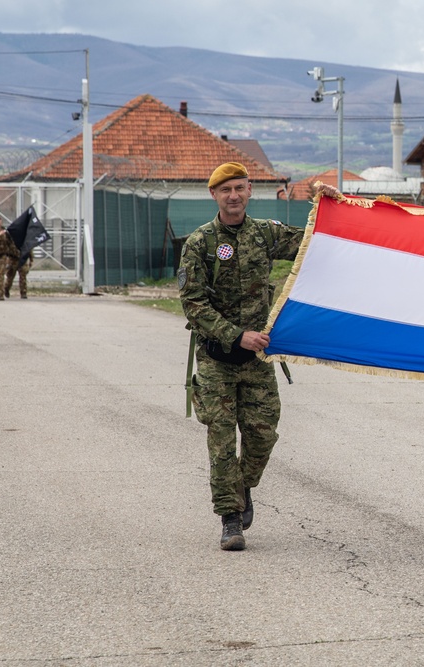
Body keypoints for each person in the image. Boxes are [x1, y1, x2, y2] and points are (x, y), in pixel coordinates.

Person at [178, 162, 304, 551]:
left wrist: (327, 204)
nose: (233, 196)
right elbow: (193, 303)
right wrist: (236, 336)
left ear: (250, 190)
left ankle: (243, 486)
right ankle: (230, 519)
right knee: (221, 439)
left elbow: (314, 243)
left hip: (258, 359)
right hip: (217, 358)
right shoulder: (199, 243)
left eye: (239, 188)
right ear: (213, 195)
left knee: (262, 434)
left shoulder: (265, 234)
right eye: (225, 190)